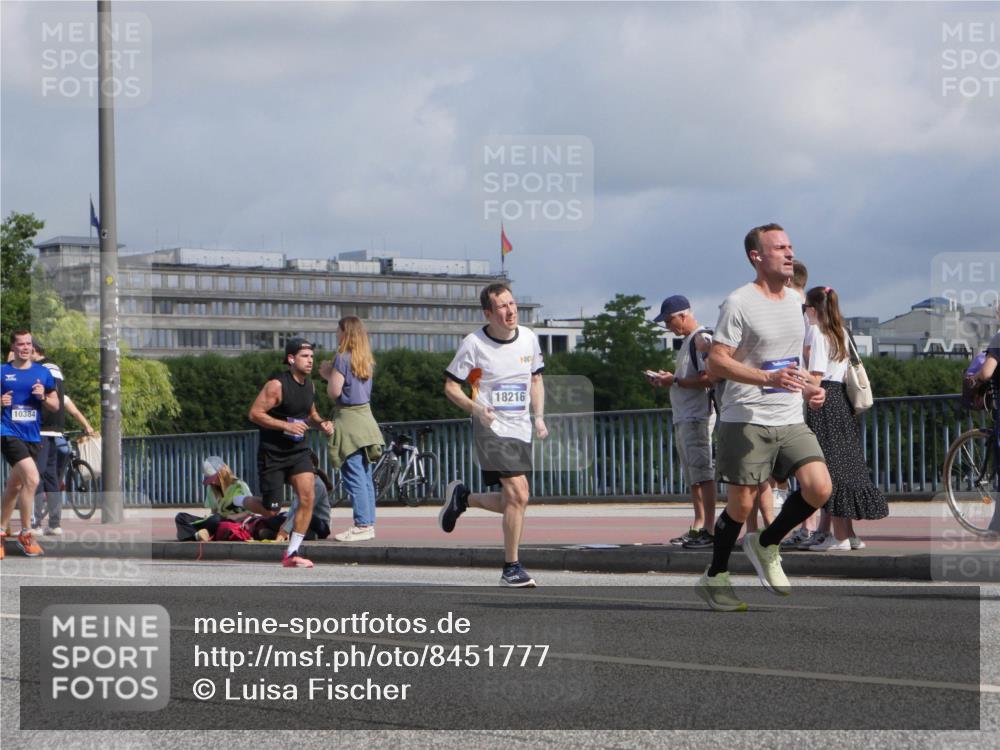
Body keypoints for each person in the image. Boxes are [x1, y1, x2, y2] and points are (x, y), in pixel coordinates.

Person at [696, 223, 832, 611]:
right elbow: (717, 361)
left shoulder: (796, 300)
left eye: (790, 246)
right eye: (779, 248)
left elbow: (794, 361)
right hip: (746, 415)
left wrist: (810, 387)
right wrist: (766, 377)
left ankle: (767, 542)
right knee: (740, 505)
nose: (789, 253)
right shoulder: (738, 303)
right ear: (756, 257)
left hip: (789, 415)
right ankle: (715, 577)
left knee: (819, 488)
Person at [439, 281, 548, 587]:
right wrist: (475, 409)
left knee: (517, 499)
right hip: (490, 428)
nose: (510, 310)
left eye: (512, 304)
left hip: (520, 428)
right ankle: (511, 567)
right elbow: (450, 387)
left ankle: (464, 499)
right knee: (518, 494)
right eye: (502, 306)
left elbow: (536, 380)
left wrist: (538, 417)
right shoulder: (474, 344)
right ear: (488, 313)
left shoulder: (528, 337)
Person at [801, 286, 888, 551]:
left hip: (824, 401)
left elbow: (816, 376)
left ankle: (838, 536)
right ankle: (849, 534)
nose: (804, 313)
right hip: (843, 401)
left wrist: (793, 376)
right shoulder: (841, 332)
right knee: (847, 464)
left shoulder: (817, 331)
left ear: (813, 310)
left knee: (831, 468)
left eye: (805, 309)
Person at [248, 338, 333, 568]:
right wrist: (286, 426)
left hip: (298, 452)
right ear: (291, 359)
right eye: (305, 356)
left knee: (307, 496)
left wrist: (322, 423)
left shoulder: (310, 386)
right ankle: (237, 499)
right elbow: (255, 414)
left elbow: (311, 414)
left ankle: (292, 552)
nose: (310, 361)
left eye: (312, 357)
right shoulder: (276, 385)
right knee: (270, 509)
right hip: (273, 454)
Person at [647, 295, 717, 549]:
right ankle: (699, 525)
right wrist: (671, 378)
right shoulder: (689, 341)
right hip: (686, 416)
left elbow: (708, 378)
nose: (668, 327)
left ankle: (708, 527)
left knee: (702, 472)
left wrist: (673, 381)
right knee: (693, 474)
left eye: (669, 321)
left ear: (683, 315)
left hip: (696, 416)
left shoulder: (700, 339)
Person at [319, 316, 383, 543]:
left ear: (344, 332)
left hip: (348, 420)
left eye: (337, 330)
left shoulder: (341, 358)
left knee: (354, 474)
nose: (336, 333)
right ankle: (369, 523)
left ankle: (362, 524)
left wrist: (326, 374)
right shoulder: (365, 359)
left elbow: (335, 392)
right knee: (364, 476)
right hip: (366, 419)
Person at [1, 330, 59, 559]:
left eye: (29, 344)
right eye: (21, 344)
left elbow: (55, 405)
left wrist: (43, 397)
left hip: (33, 436)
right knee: (32, 479)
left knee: (14, 486)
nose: (26, 347)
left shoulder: (42, 372)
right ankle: (26, 533)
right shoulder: (3, 372)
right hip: (7, 432)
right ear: (13, 348)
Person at [29, 341, 96, 537]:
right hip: (57, 431)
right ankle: (55, 524)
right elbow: (67, 403)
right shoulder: (57, 370)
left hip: (40, 428)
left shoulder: (37, 369)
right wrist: (87, 426)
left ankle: (36, 524)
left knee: (36, 477)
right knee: (51, 478)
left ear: (34, 351)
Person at [174, 456, 273, 541]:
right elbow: (214, 512)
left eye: (213, 478)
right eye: (210, 480)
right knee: (181, 517)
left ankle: (196, 534)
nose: (212, 482)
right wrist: (208, 517)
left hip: (234, 521)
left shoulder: (239, 486)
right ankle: (199, 535)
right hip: (217, 520)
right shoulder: (211, 488)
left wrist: (235, 517)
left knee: (218, 521)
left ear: (222, 473)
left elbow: (250, 512)